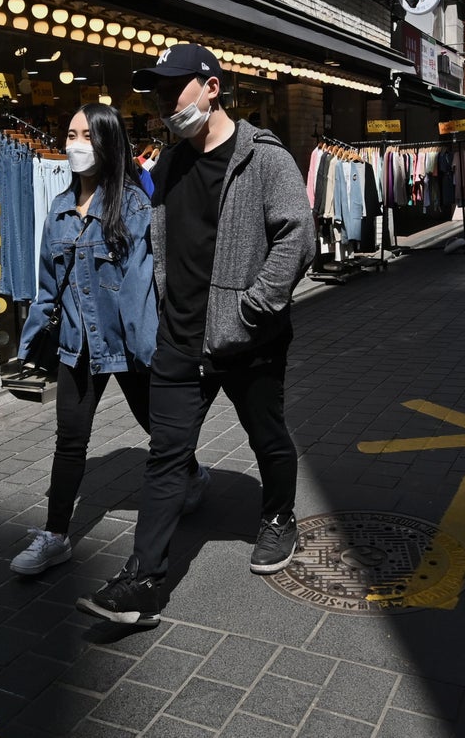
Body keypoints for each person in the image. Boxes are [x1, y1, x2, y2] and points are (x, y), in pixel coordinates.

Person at [77, 44, 316, 626]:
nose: (164, 101)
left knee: (268, 437)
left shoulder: (264, 158)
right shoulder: (172, 163)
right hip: (179, 340)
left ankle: (278, 517)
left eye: (174, 87)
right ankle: (143, 583)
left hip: (248, 339)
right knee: (165, 457)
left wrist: (254, 309)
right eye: (157, 90)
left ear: (212, 87)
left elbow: (297, 236)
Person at [9, 103, 208, 576]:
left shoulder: (135, 207)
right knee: (70, 440)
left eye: (85, 136)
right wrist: (30, 349)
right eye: (70, 134)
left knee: (157, 429)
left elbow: (144, 284)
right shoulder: (58, 210)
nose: (74, 145)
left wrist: (156, 351)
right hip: (78, 345)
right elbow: (47, 287)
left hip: (128, 343)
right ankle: (56, 535)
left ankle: (192, 473)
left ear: (107, 144)